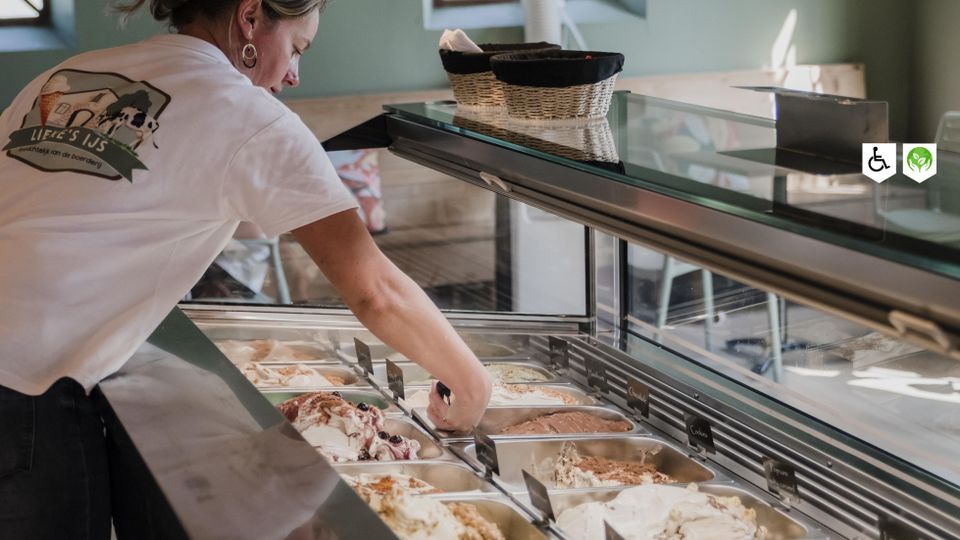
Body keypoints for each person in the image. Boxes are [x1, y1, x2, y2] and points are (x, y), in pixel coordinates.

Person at [0, 0, 492, 537]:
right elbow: (375, 290)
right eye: (298, 48)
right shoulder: (248, 115)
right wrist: (472, 387)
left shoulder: (69, 74)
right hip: (25, 383)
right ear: (250, 17)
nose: (293, 74)